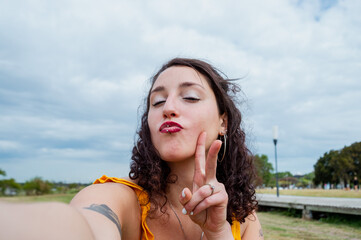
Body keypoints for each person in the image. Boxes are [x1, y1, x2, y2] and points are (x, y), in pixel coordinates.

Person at [0, 58, 262, 239]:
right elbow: (81, 225)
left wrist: (218, 234)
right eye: (157, 102)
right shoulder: (122, 201)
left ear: (223, 122)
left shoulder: (243, 218)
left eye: (190, 97)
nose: (168, 108)